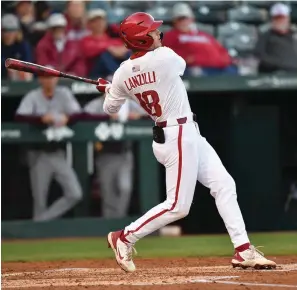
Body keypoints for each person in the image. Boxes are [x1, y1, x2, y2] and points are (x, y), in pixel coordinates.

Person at [95, 12, 277, 272]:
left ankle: (243, 250)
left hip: (180, 134)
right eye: (152, 31)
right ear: (142, 39)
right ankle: (124, 236)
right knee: (178, 206)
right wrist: (118, 87)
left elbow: (111, 107)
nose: (158, 33)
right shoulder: (166, 57)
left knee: (224, 184)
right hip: (177, 136)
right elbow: (175, 69)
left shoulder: (122, 72)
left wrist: (112, 88)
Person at [15, 74, 83, 222]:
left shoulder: (63, 94)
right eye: (45, 77)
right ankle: (38, 230)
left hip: (58, 152)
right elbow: (20, 116)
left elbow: (78, 114)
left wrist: (68, 118)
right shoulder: (33, 96)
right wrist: (40, 119)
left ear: (56, 79)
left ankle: (41, 222)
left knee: (75, 193)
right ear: (40, 79)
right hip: (39, 154)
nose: (48, 80)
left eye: (51, 77)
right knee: (40, 200)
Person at [84, 97, 145, 218]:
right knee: (108, 194)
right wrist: (106, 117)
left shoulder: (128, 103)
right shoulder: (96, 104)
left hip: (124, 152)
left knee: (125, 188)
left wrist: (138, 116)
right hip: (105, 153)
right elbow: (83, 116)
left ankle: (119, 220)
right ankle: (110, 226)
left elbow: (150, 112)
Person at [163, 3, 237, 76]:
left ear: (192, 19)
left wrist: (226, 60)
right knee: (195, 72)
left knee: (235, 71)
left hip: (219, 67)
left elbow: (221, 51)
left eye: (186, 18)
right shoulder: (170, 35)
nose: (184, 22)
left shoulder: (205, 35)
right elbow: (169, 55)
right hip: (194, 69)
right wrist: (188, 59)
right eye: (180, 19)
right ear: (174, 21)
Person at [81, 9, 128, 78]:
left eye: (102, 20)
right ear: (89, 24)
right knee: (104, 55)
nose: (99, 23)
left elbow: (123, 47)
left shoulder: (110, 38)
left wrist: (123, 49)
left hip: (110, 72)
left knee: (128, 53)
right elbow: (88, 50)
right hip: (94, 74)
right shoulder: (86, 39)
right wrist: (109, 48)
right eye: (95, 21)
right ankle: (118, 75)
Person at [254, 3, 297, 73]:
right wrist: (279, 63)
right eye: (276, 19)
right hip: (277, 73)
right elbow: (259, 54)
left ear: (288, 19)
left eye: (282, 18)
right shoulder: (266, 36)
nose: (279, 22)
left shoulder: (294, 35)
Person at [1, 14, 33, 81]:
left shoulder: (23, 45)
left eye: (12, 30)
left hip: (18, 77)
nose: (9, 34)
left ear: (17, 31)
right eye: (6, 30)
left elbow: (28, 63)